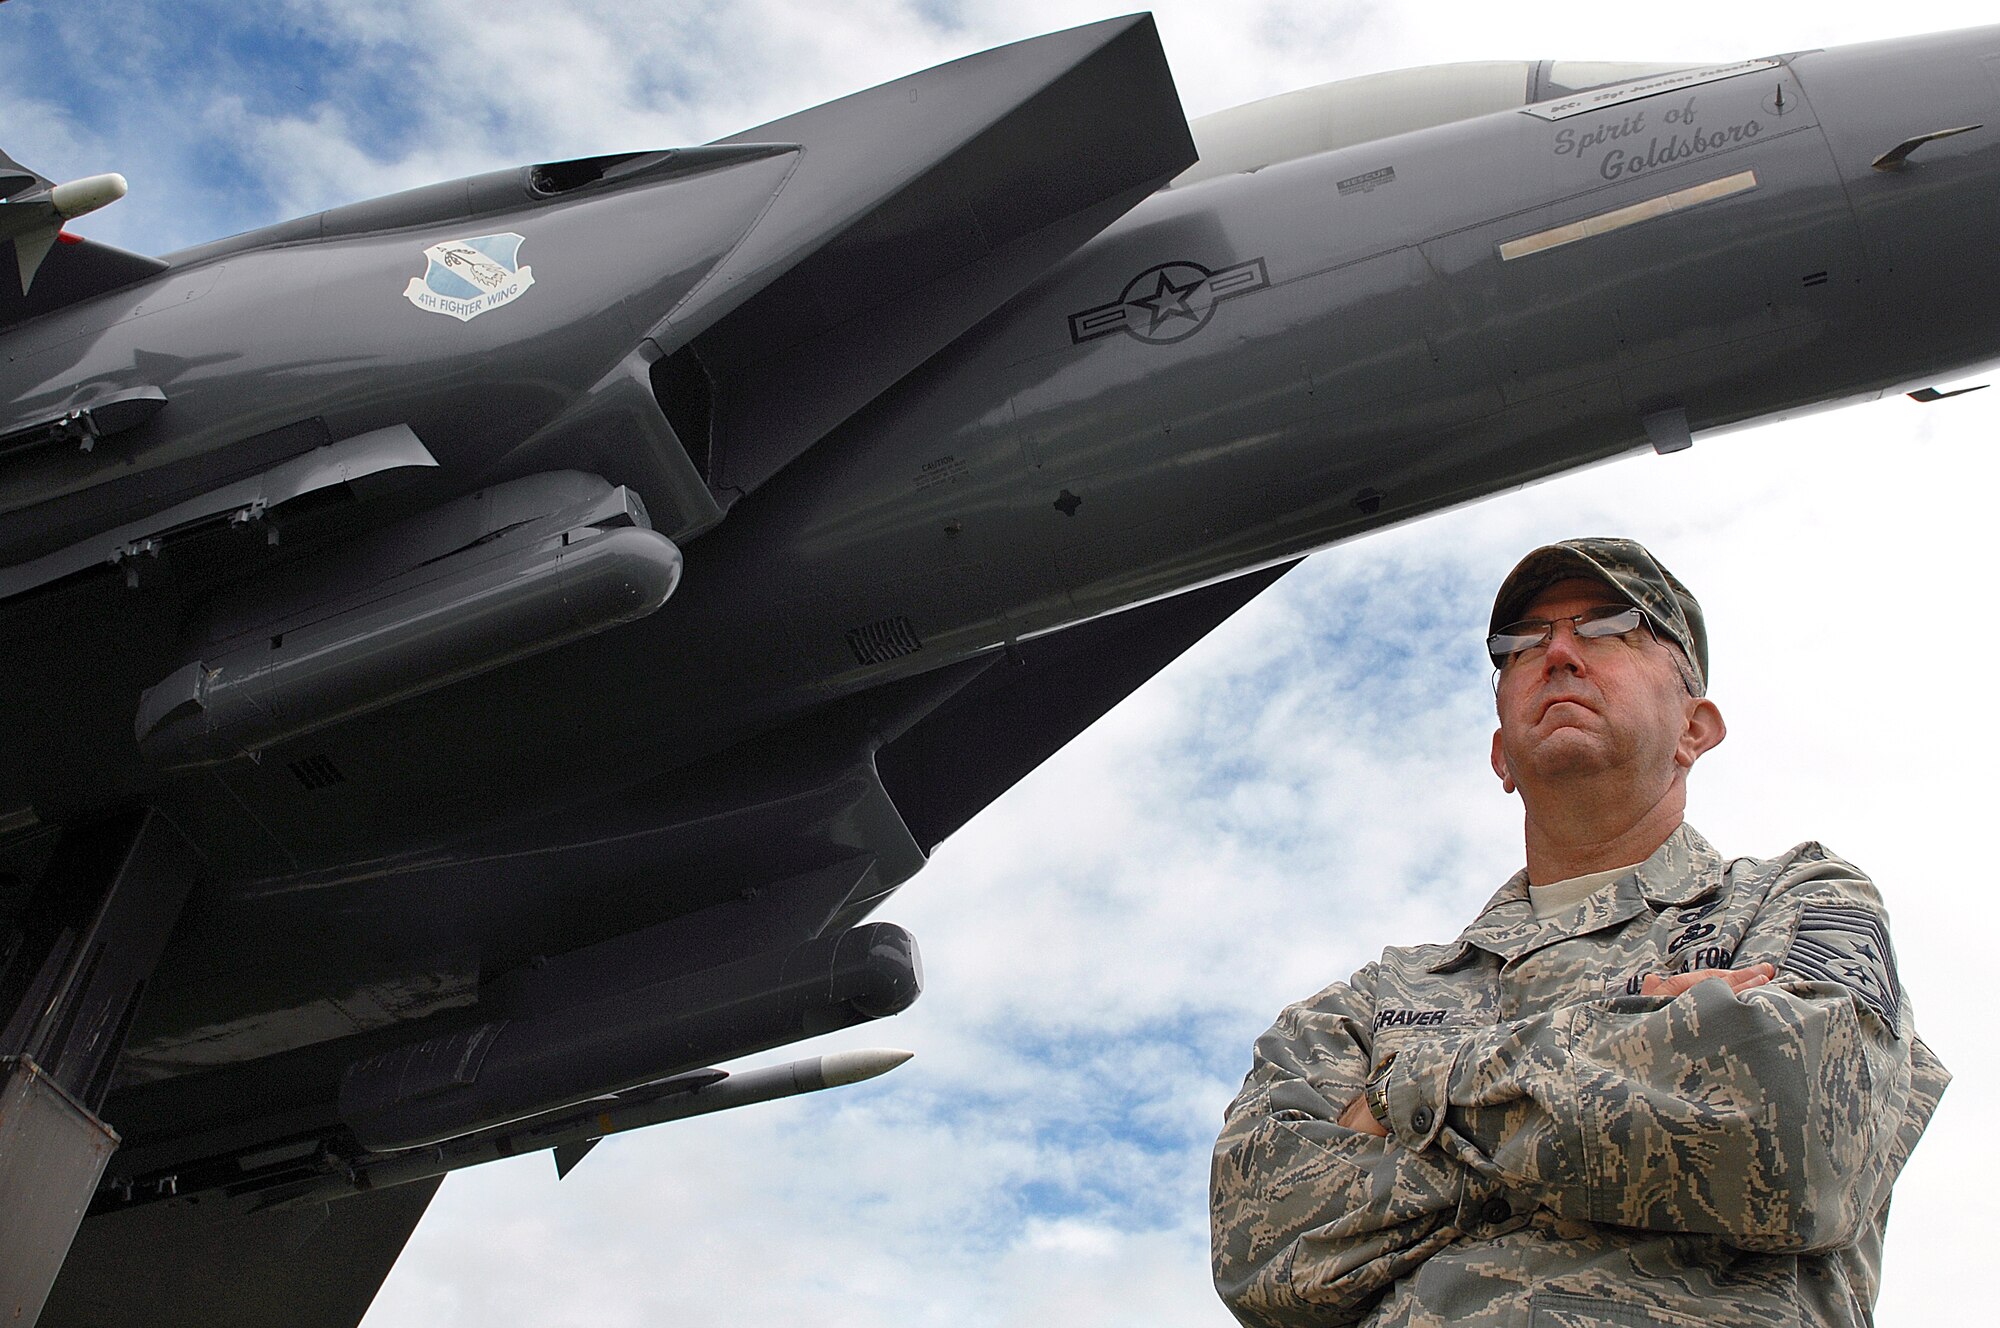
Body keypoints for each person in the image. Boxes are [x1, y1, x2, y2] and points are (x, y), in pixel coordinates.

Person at [1210, 537, 1948, 1328]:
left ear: (1695, 728)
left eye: (1610, 627)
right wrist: (1654, 1054)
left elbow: (1801, 1135)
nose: (1558, 652)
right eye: (1521, 643)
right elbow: (1263, 1248)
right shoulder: (1373, 1001)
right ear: (1502, 756)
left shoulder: (1794, 898)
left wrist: (1407, 1098)